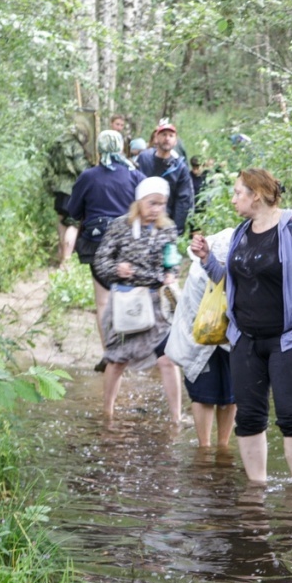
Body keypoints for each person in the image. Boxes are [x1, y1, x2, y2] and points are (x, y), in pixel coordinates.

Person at [190, 168, 292, 483]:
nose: (234, 198)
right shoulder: (241, 231)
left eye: (238, 192)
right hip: (245, 339)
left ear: (257, 195)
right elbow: (230, 281)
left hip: (289, 339)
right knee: (249, 417)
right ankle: (256, 491)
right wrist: (208, 259)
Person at [93, 177, 183, 422]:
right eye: (152, 203)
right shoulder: (120, 226)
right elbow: (100, 261)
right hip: (126, 302)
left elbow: (173, 261)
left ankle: (176, 417)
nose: (157, 209)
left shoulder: (168, 228)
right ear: (139, 201)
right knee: (117, 359)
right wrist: (116, 269)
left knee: (167, 359)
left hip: (156, 303)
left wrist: (171, 274)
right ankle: (108, 413)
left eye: (162, 204)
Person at [65, 130, 144, 348]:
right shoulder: (135, 175)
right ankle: (129, 348)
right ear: (120, 148)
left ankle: (109, 351)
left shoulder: (88, 176)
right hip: (129, 244)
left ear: (98, 150)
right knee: (128, 295)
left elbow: (73, 210)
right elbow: (149, 204)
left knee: (103, 301)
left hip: (96, 244)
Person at [166, 228, 237, 447]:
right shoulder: (199, 272)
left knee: (230, 396)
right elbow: (193, 314)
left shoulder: (239, 272)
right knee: (203, 394)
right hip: (199, 339)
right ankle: (204, 446)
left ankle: (223, 444)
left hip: (230, 342)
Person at [42, 121, 92, 266]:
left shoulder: (56, 144)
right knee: (74, 224)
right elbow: (81, 168)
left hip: (59, 188)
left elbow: (48, 167)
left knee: (62, 222)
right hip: (73, 189)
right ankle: (66, 260)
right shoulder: (74, 145)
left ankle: (60, 254)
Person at [136, 120, 193, 234]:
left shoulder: (179, 167)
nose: (167, 138)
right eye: (164, 134)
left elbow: (183, 199)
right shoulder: (144, 158)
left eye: (171, 135)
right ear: (156, 138)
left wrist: (177, 229)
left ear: (175, 141)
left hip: (165, 222)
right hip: (141, 220)